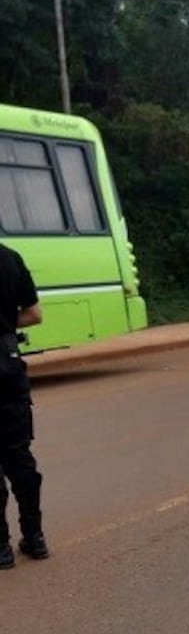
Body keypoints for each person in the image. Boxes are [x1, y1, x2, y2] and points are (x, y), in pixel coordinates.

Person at [0, 244, 47, 569]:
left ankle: (1, 549)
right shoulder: (10, 258)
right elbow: (34, 314)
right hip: (8, 366)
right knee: (19, 454)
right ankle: (35, 537)